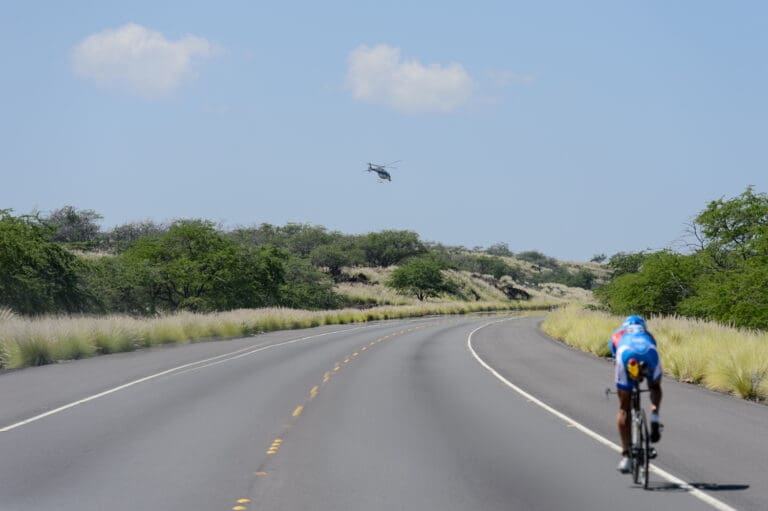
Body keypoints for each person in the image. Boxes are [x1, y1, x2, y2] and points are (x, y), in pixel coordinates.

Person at [610, 315, 663, 473]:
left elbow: (615, 356)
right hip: (649, 353)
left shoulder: (619, 334)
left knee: (624, 409)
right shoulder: (647, 334)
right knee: (654, 387)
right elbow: (654, 345)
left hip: (626, 355)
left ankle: (626, 456)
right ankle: (654, 416)